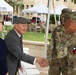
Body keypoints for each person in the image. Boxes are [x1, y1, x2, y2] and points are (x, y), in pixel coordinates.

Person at [47, 9, 76, 75]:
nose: (63, 19)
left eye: (65, 17)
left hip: (69, 60)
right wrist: (49, 57)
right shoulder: (57, 29)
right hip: (56, 58)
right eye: (62, 17)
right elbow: (51, 44)